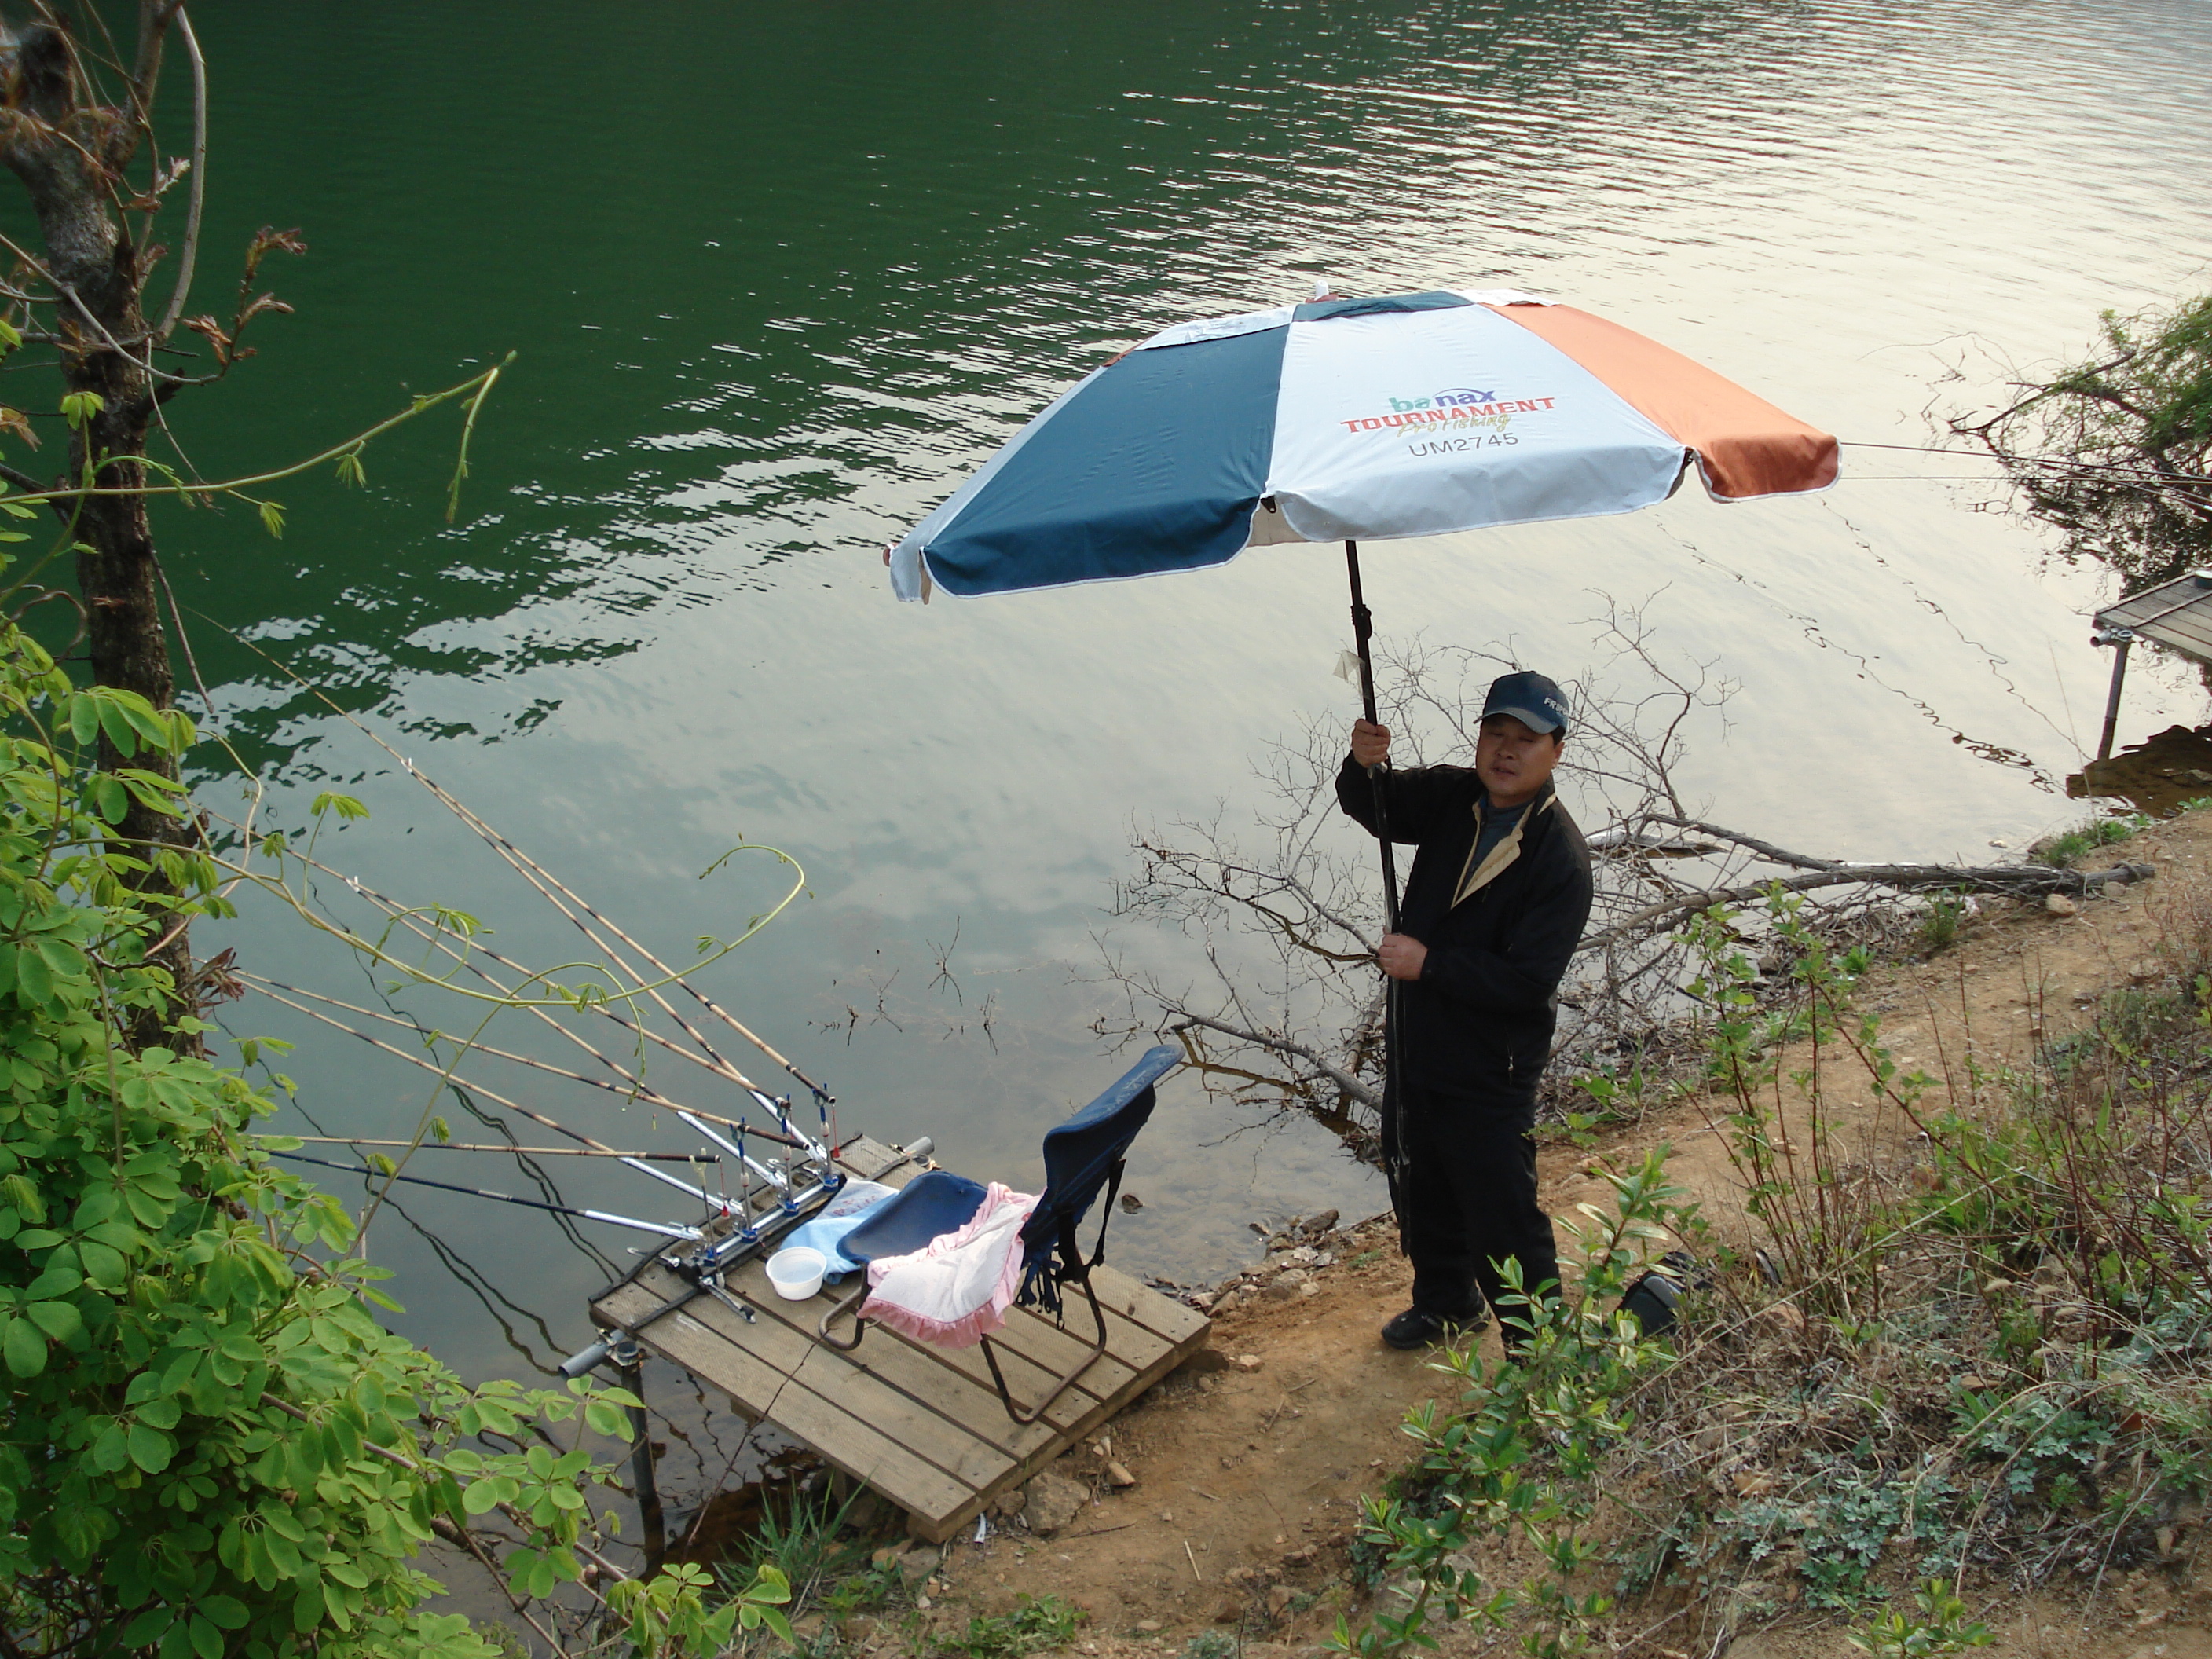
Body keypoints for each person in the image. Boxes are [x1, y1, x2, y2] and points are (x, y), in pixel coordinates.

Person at [1336, 670, 1594, 1353]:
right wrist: (1365, 765)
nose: (1506, 752)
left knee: (1501, 1210)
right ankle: (1447, 1302)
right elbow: (1376, 807)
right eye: (1496, 734)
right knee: (1421, 1179)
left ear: (1556, 751)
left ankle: (1537, 1348)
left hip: (1491, 1066)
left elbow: (1527, 981)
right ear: (1479, 739)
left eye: (1526, 740)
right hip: (1420, 1041)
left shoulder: (1560, 858)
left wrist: (1430, 964)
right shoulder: (1456, 795)